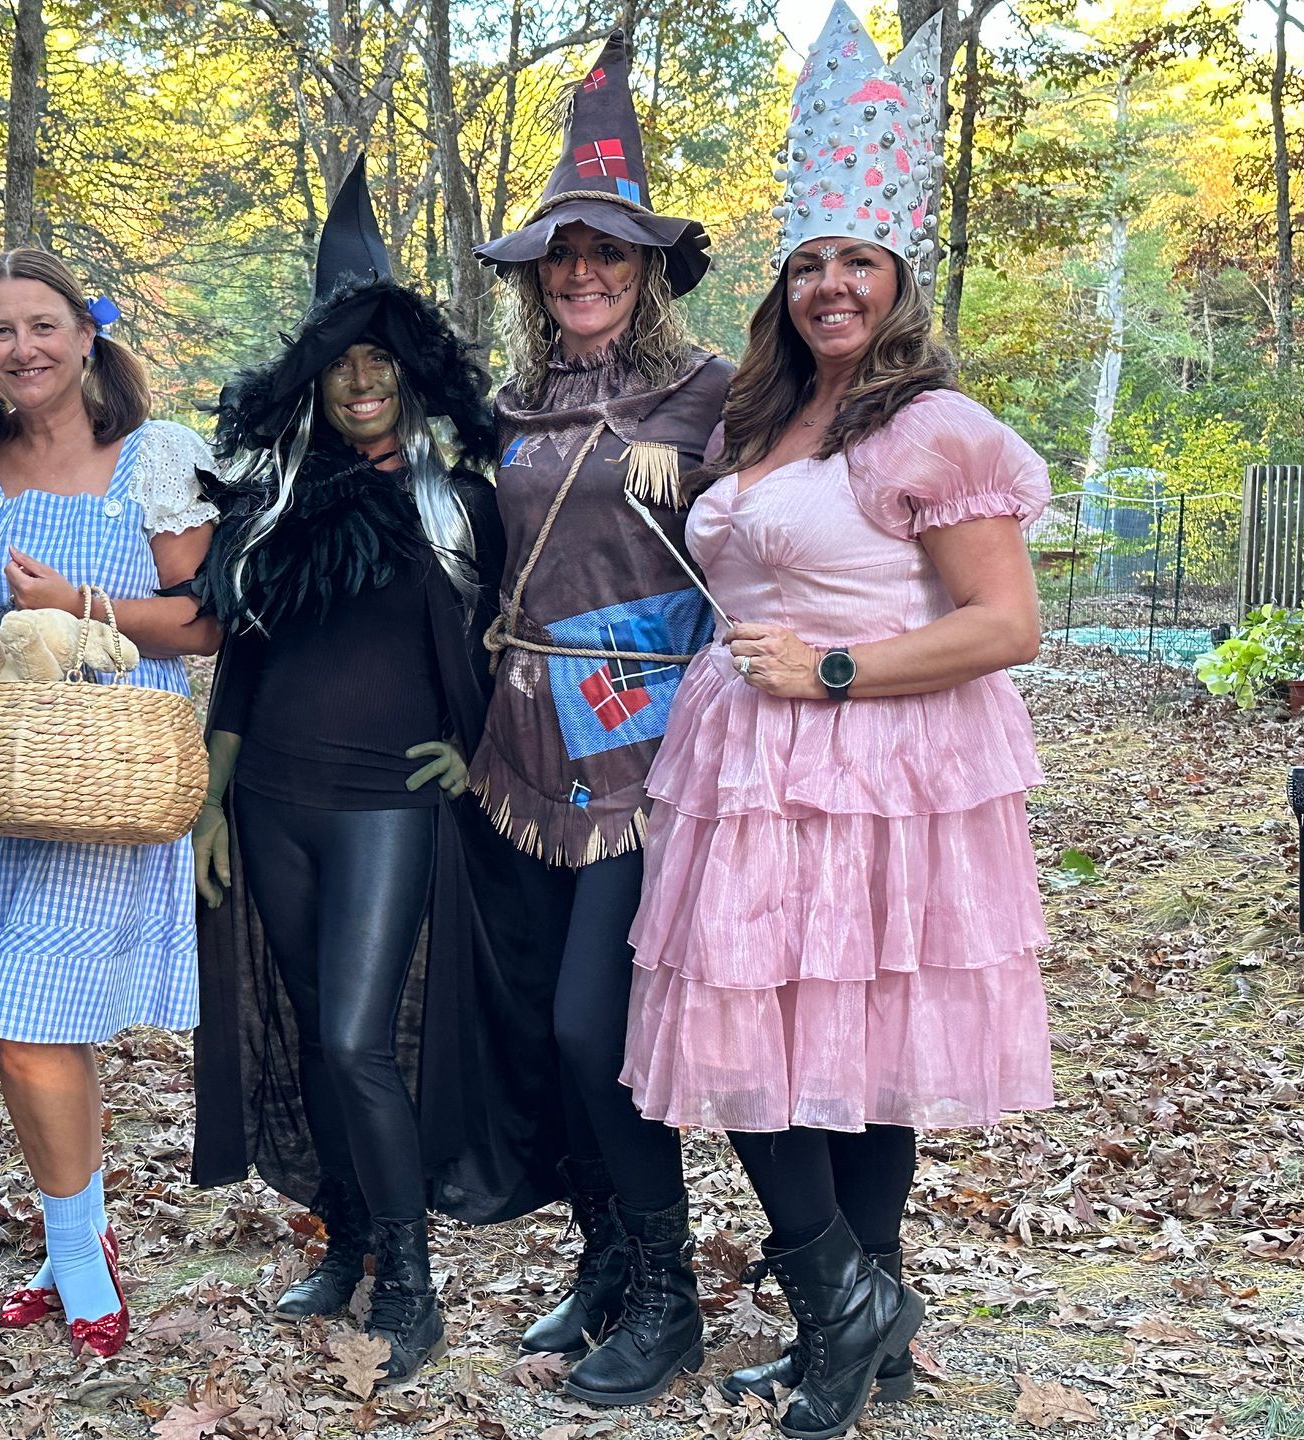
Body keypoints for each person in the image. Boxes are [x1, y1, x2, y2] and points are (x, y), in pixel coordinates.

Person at [620, 7, 1055, 1437]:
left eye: (855, 260)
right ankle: (852, 1323)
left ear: (899, 277)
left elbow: (1007, 626)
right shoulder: (763, 420)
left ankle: (853, 1312)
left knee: (852, 1046)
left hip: (875, 752)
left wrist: (837, 675)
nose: (827, 284)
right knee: (781, 1033)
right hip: (747, 757)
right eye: (806, 262)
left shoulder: (936, 427)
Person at [190, 158, 566, 1386]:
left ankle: (412, 1284)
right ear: (315, 376)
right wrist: (211, 790)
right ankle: (346, 1241)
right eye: (340, 362)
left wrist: (482, 751)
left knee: (357, 1037)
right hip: (273, 794)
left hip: (387, 804)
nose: (362, 382)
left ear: (410, 369)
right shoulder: (274, 501)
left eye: (381, 361)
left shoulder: (460, 503)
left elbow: (521, 636)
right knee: (308, 1026)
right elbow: (242, 659)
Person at [468, 31, 733, 1406]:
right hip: (518, 750)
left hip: (649, 748)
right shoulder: (506, 405)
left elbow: (774, 539)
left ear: (648, 272)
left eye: (608, 255)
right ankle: (604, 1263)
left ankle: (672, 1294)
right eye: (563, 256)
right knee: (532, 1027)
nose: (582, 273)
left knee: (592, 1026)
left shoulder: (709, 400)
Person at [0, 246, 221, 1361]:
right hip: (6, 780)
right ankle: (81, 1245)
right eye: (1, 331)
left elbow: (202, 621)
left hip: (104, 780)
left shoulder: (150, 457)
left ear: (86, 335)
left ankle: (76, 1262)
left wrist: (80, 601)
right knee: (26, 1035)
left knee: (29, 1028)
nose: (24, 349)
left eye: (44, 325)